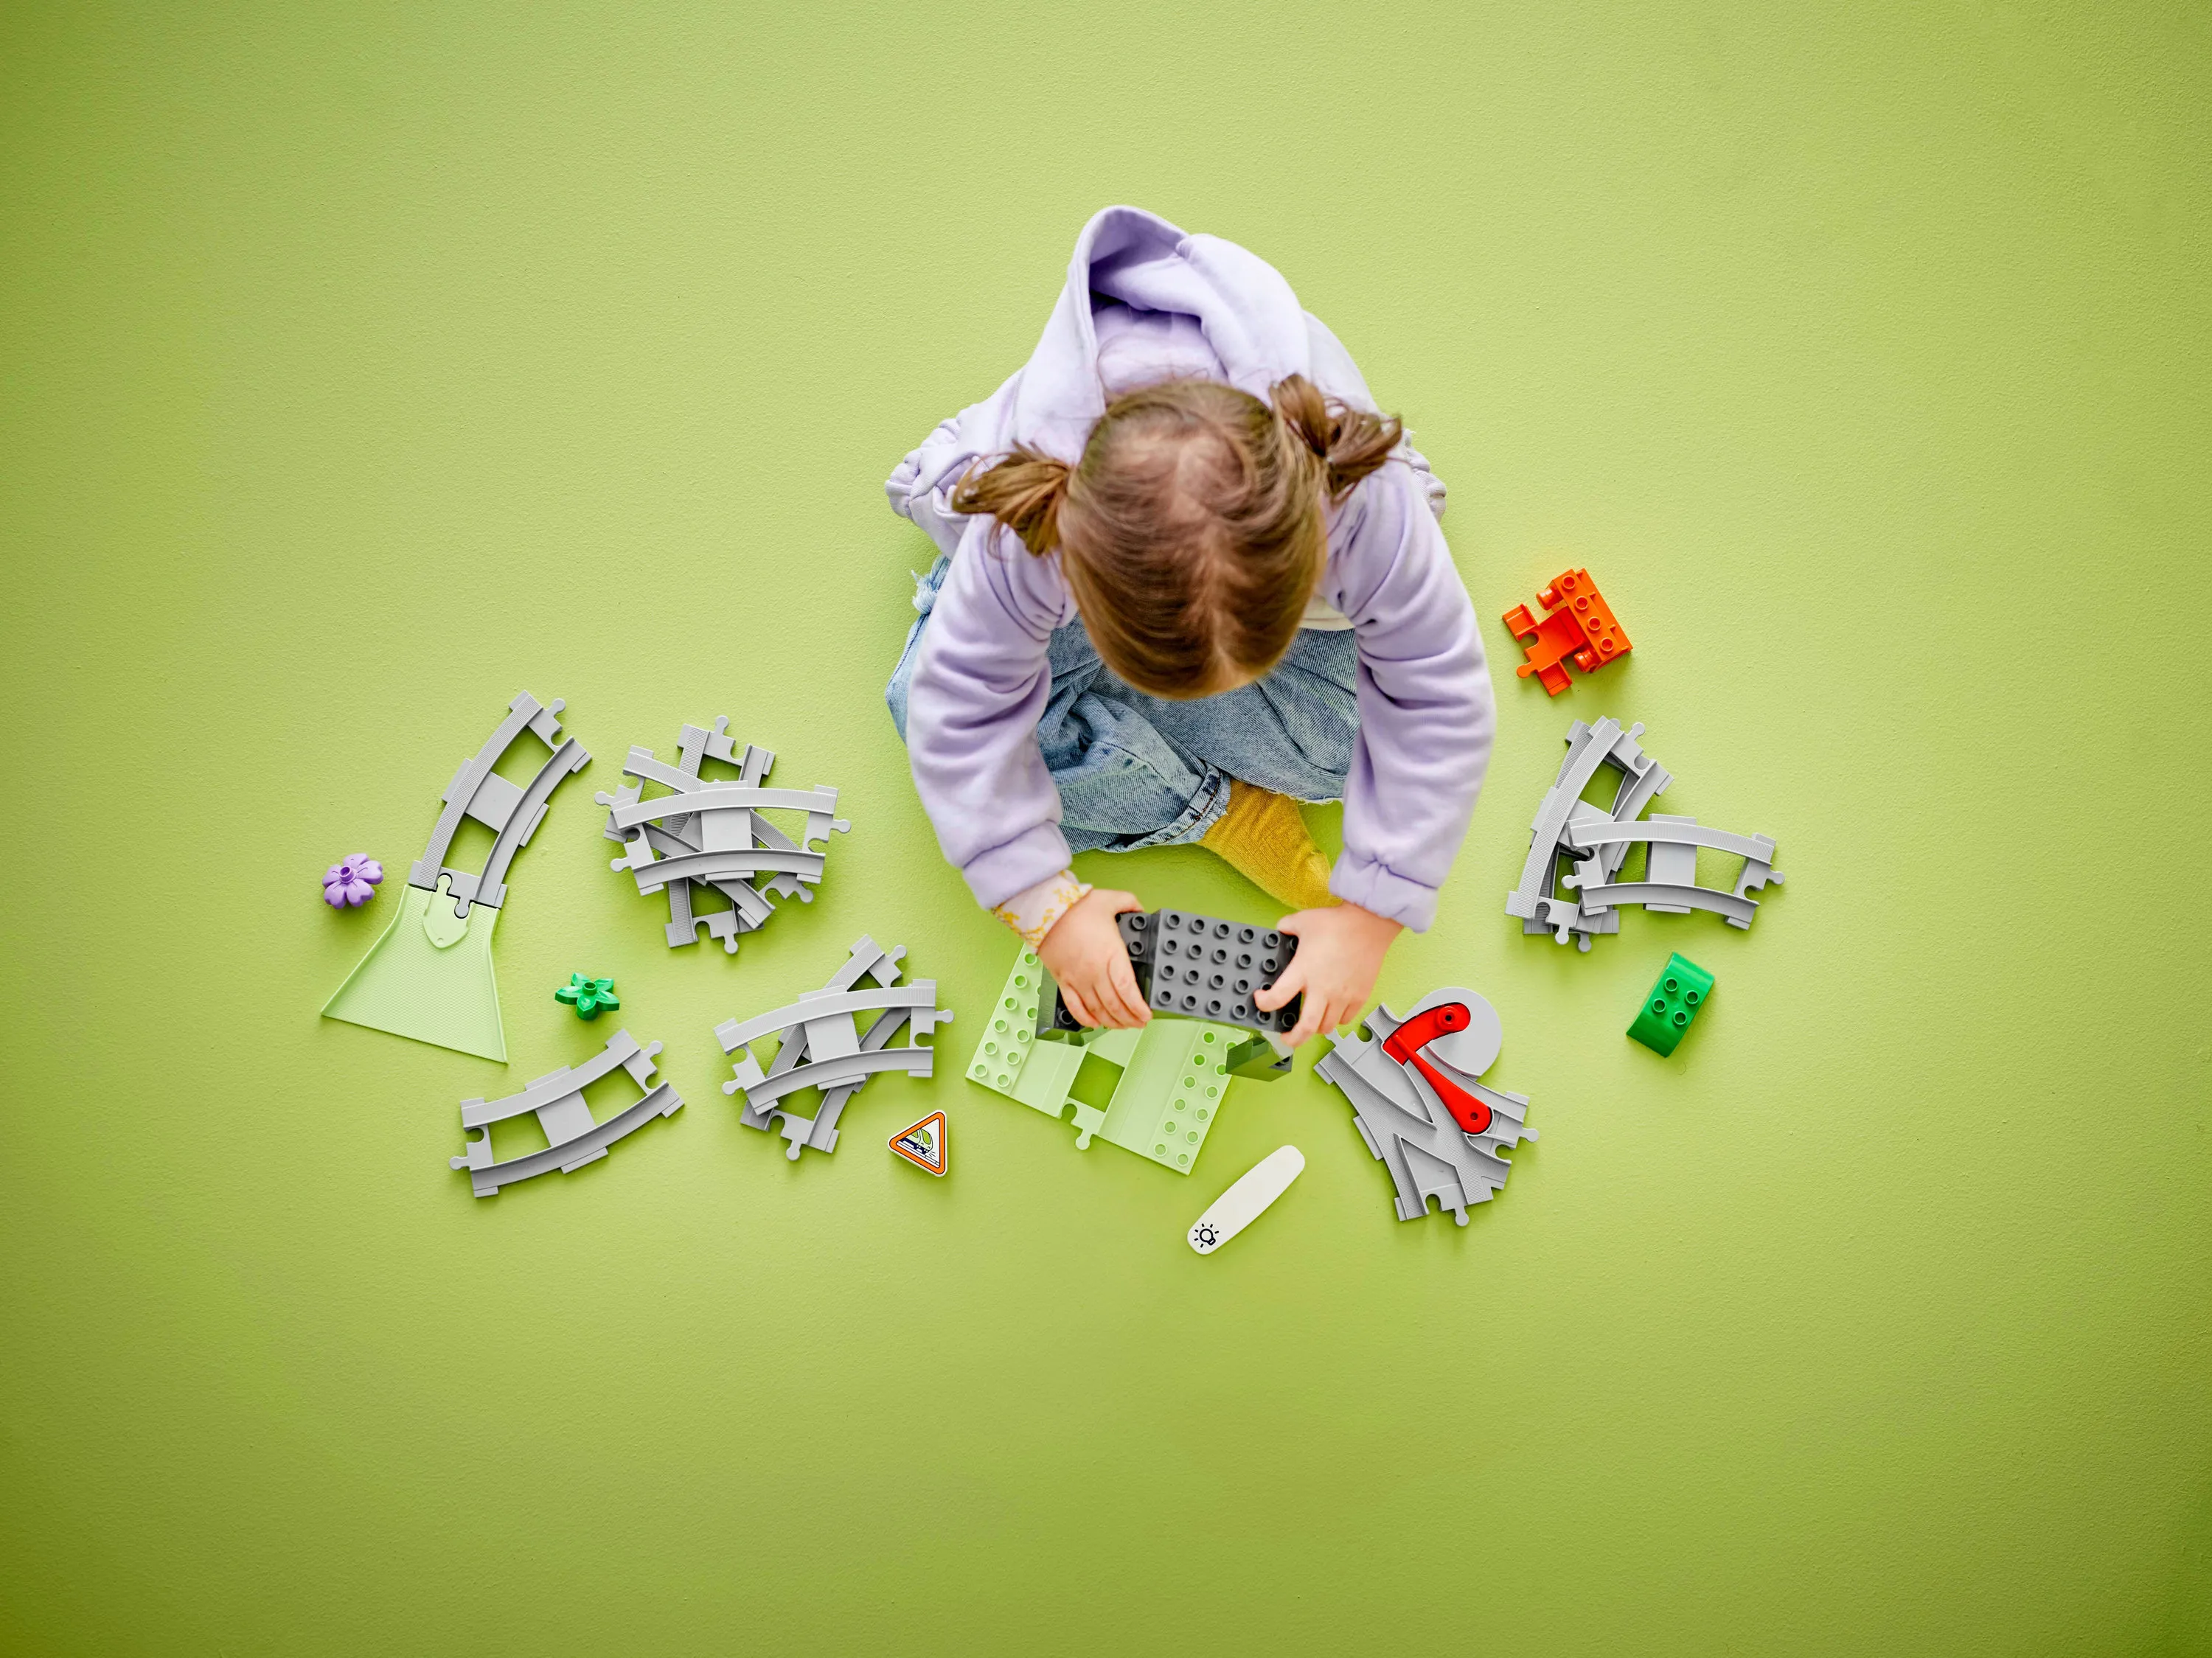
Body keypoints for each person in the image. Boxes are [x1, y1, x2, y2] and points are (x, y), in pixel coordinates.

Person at [884, 206, 1493, 1047]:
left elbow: (1439, 693)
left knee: (1349, 758)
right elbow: (957, 710)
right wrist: (1046, 907)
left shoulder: (1365, 501)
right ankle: (1214, 809)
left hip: (1290, 582)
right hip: (1063, 572)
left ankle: (1126, 751)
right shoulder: (1031, 529)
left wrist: (1372, 914)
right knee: (923, 711)